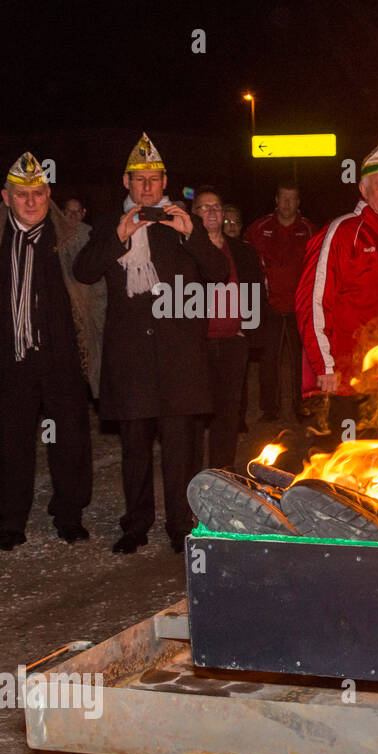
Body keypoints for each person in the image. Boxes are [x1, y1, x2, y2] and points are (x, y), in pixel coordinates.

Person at [73, 133, 227, 554]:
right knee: (135, 450)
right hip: (131, 361)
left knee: (180, 451)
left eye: (154, 179)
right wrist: (118, 237)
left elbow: (218, 274)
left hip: (178, 361)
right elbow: (83, 271)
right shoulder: (110, 224)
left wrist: (193, 234)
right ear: (126, 182)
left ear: (164, 182)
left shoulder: (178, 222)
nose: (147, 187)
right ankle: (136, 523)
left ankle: (180, 524)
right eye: (139, 179)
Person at [296, 134, 378, 451]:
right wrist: (325, 367)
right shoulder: (345, 231)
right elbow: (312, 300)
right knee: (345, 465)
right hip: (344, 379)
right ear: (363, 189)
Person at [0, 153, 93, 550]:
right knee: (11, 444)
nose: (31, 201)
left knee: (67, 441)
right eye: (22, 195)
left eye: (38, 193)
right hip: (11, 362)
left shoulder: (73, 238)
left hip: (62, 360)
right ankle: (9, 521)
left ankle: (69, 515)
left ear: (48, 194)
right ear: (6, 198)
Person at [192, 187, 263, 470]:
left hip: (233, 342)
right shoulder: (186, 250)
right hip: (197, 344)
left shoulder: (242, 252)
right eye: (204, 207)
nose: (212, 212)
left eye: (217, 207)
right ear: (194, 214)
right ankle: (194, 476)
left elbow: (257, 292)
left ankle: (222, 473)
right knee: (195, 414)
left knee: (228, 414)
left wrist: (250, 330)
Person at [244, 182, 315, 423]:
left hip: (300, 306)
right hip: (270, 305)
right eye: (283, 198)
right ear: (276, 200)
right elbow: (246, 260)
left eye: (292, 199)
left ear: (298, 202)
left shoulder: (308, 229)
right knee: (269, 359)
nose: (287, 203)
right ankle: (270, 409)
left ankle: (301, 406)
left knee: (301, 361)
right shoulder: (259, 228)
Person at [55, 197, 108, 400]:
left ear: (84, 213)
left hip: (91, 306)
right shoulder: (56, 238)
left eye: (78, 211)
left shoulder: (90, 235)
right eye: (69, 211)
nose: (73, 216)